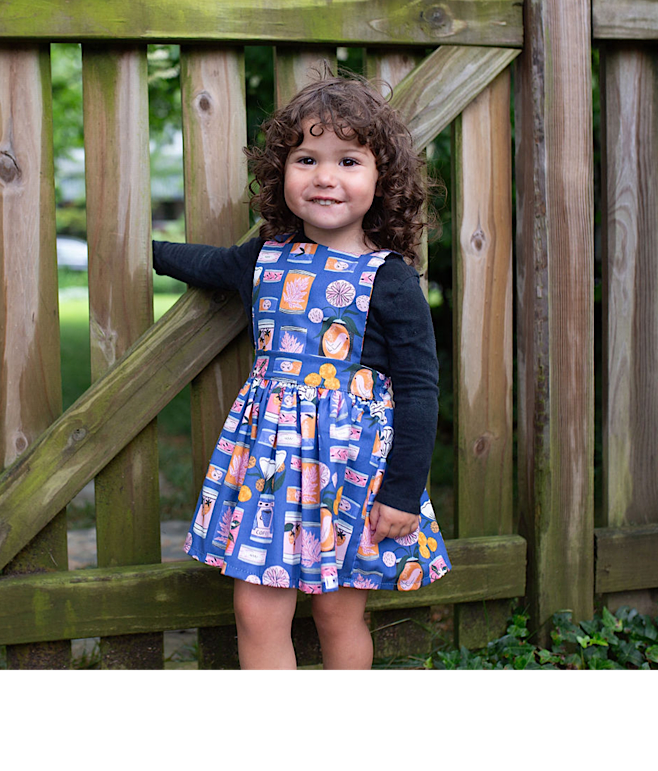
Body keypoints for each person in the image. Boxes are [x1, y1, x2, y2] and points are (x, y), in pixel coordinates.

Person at [153, 74, 449, 670]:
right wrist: (136, 247)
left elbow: (420, 390)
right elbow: (203, 263)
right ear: (280, 173)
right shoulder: (263, 256)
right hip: (270, 473)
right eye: (306, 158)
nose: (325, 177)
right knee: (256, 611)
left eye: (348, 160)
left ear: (381, 180)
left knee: (339, 615)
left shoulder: (389, 279)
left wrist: (401, 493)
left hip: (354, 479)